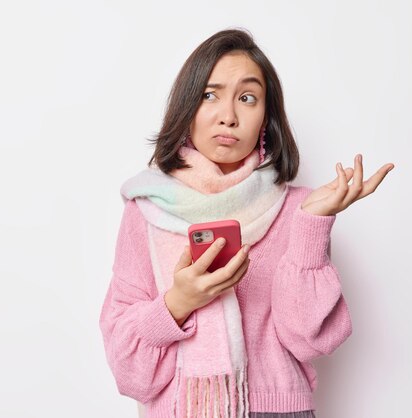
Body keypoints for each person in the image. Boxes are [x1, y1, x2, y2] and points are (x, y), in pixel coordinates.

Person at [99, 28, 394, 418]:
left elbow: (310, 340)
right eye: (209, 95)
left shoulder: (299, 210)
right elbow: (128, 369)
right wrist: (178, 303)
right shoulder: (146, 210)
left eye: (247, 98)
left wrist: (311, 224)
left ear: (265, 120)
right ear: (187, 110)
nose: (228, 116)